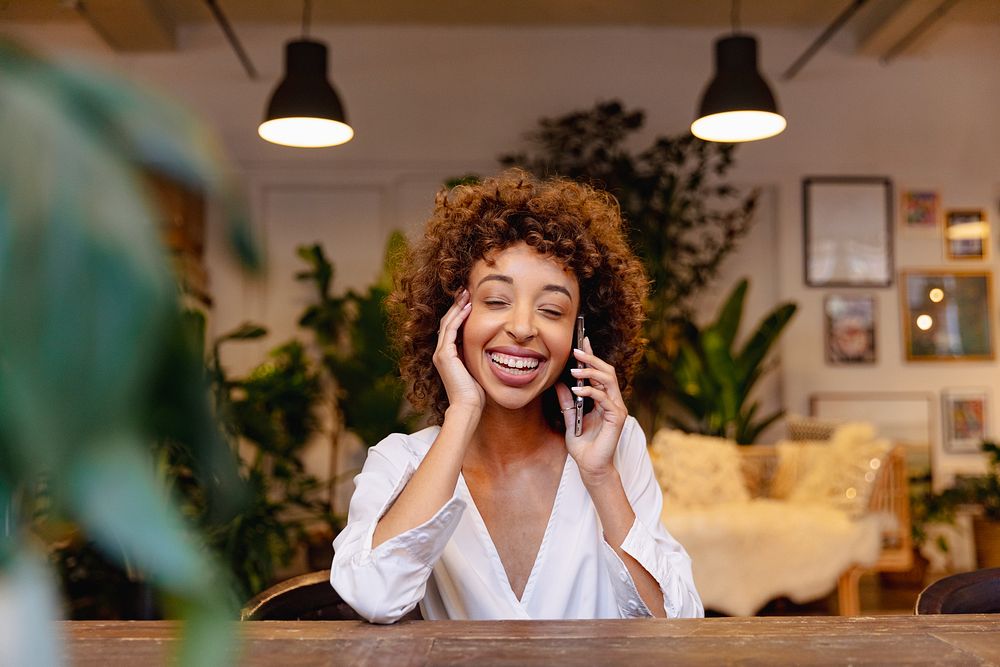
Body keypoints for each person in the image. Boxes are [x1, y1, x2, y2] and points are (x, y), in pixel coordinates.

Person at [330, 170, 702, 622]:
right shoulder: (400, 462)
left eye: (551, 310)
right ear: (452, 318)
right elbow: (373, 596)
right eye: (496, 301)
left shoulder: (614, 447)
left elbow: (677, 622)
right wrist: (462, 413)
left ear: (581, 335)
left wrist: (601, 477)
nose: (524, 328)